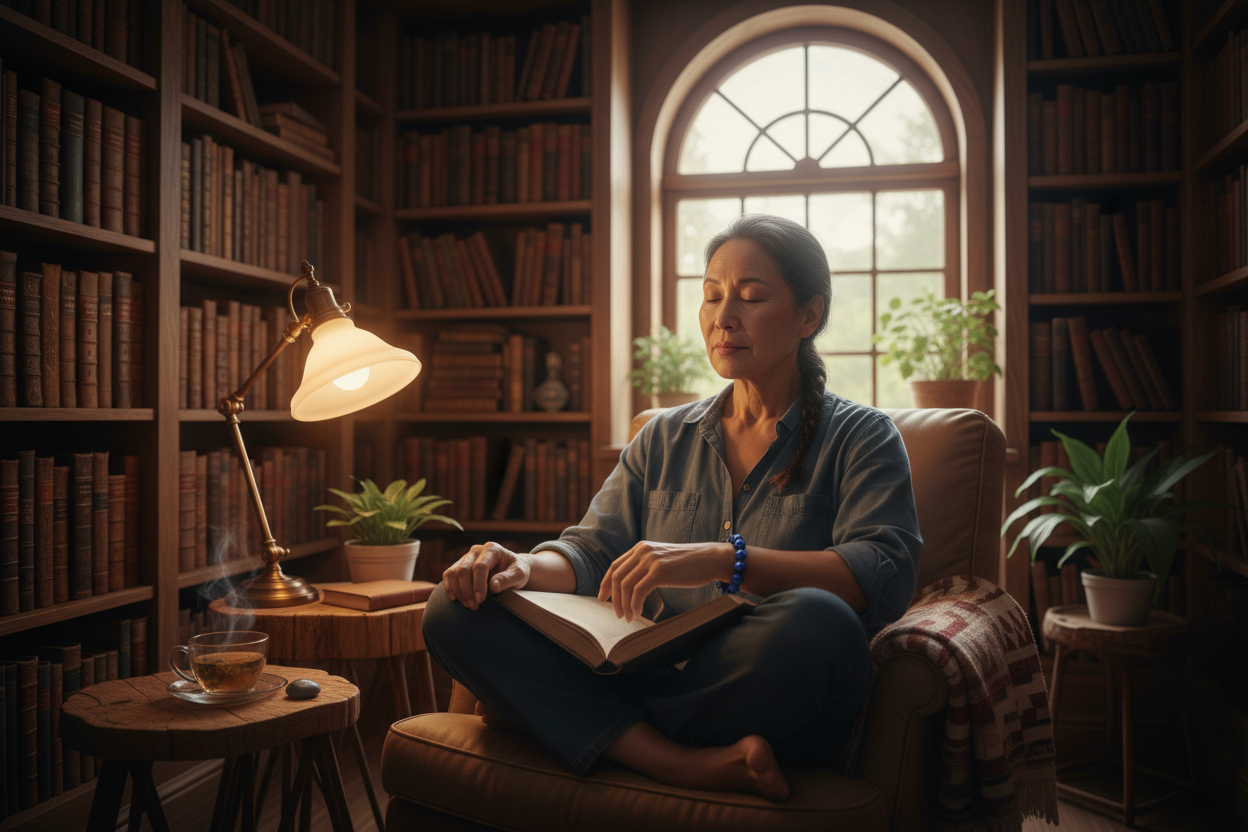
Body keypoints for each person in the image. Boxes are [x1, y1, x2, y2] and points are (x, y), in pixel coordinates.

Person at [422, 213, 921, 800]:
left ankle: (577, 722)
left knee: (820, 622)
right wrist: (522, 566)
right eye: (711, 296)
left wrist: (723, 558)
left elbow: (881, 573)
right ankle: (672, 760)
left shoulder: (862, 436)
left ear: (809, 316)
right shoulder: (663, 436)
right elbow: (591, 553)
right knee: (455, 606)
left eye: (750, 296)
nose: (723, 317)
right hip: (649, 671)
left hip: (762, 682)